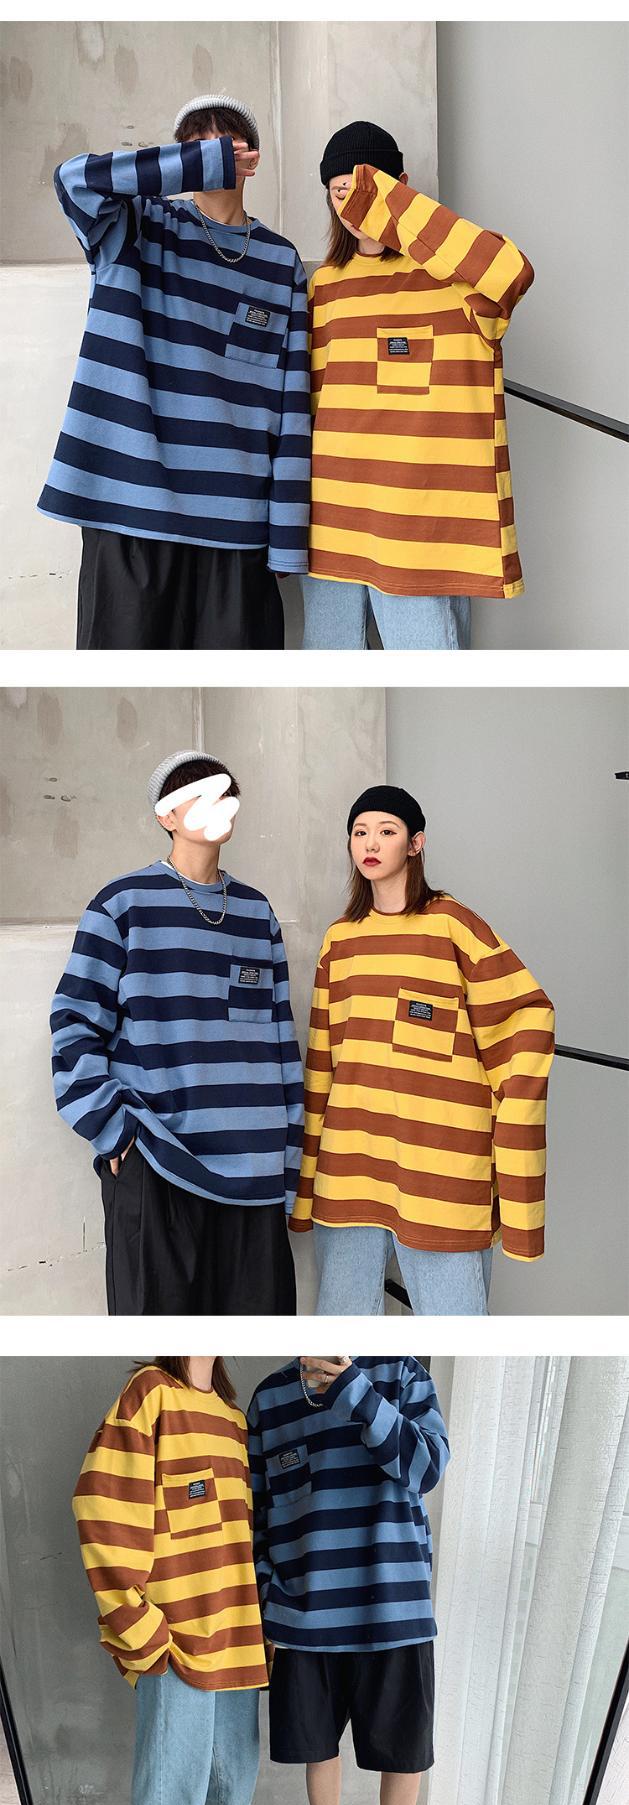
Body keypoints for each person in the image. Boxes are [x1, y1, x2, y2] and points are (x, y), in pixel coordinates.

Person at [38, 93, 310, 649]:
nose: (211, 155)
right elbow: (72, 180)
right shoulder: (135, 225)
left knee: (243, 675)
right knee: (122, 673)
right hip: (130, 510)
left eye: (223, 142)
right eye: (196, 147)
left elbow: (293, 409)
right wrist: (201, 164)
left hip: (237, 525)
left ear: (251, 156)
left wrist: (287, 541)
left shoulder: (281, 262)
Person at [50, 750, 304, 1314]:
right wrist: (115, 1129)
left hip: (255, 1171)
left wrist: (291, 1165)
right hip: (158, 1160)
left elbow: (280, 1042)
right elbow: (74, 1021)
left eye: (225, 794)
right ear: (166, 816)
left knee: (252, 1338)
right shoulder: (122, 905)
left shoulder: (256, 913)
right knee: (160, 1343)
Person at [289, 784, 554, 1313]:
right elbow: (322, 1065)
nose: (370, 843)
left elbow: (526, 1016)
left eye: (386, 831)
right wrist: (308, 1178)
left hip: (442, 1170)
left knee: (456, 1328)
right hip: (351, 1164)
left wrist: (509, 1121)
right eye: (359, 832)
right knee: (340, 1330)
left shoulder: (452, 925)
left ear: (415, 843)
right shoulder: (340, 940)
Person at [72, 1355, 284, 1805]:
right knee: (171, 1783)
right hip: (178, 1635)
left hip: (236, 1625)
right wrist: (139, 1626)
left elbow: (246, 1533)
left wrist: (261, 1620)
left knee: (234, 1757)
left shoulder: (232, 1417)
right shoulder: (151, 1394)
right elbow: (102, 1501)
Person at [303, 120, 533, 650]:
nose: (354, 206)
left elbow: (513, 271)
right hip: (331, 525)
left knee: (429, 676)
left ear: (402, 190)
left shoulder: (456, 281)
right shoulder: (323, 287)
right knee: (328, 678)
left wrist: (396, 209)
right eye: (341, 191)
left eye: (371, 190)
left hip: (422, 533)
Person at [247, 1353, 450, 1805]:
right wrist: (267, 1600)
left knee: (405, 1749)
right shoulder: (270, 1399)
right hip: (304, 1612)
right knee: (317, 1743)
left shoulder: (401, 1374)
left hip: (395, 1606)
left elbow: (427, 1467)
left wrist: (357, 1394)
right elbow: (259, 1512)